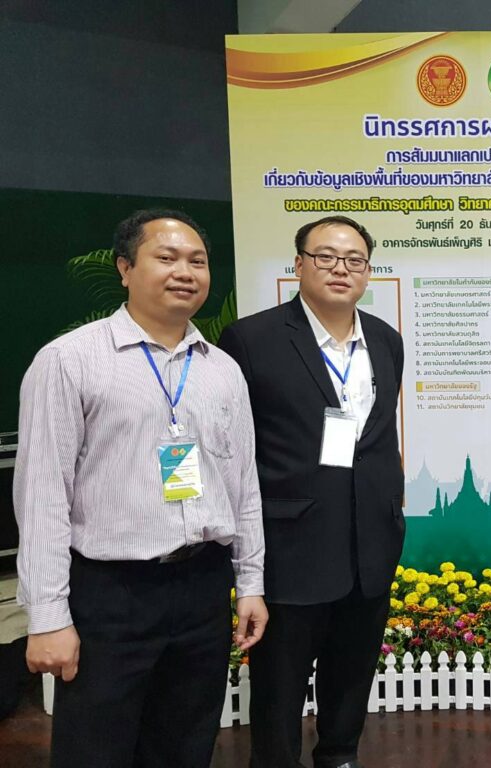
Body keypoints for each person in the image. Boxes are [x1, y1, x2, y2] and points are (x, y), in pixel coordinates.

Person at [14, 209, 267, 767]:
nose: (185, 272)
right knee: (95, 749)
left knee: (186, 745)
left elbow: (242, 484)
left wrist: (250, 582)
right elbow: (42, 497)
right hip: (112, 593)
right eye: (166, 257)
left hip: (202, 586)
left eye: (197, 261)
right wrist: (49, 617)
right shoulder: (69, 361)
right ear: (125, 268)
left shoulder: (223, 370)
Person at [218, 215, 404, 768]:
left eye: (354, 260)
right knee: (279, 689)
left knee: (351, 678)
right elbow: (235, 449)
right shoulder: (251, 339)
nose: (340, 268)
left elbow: (374, 442)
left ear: (368, 271)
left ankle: (340, 756)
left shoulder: (386, 340)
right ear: (299, 264)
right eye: (326, 256)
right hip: (291, 547)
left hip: (369, 545)